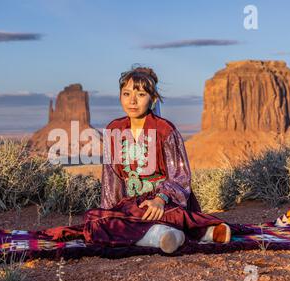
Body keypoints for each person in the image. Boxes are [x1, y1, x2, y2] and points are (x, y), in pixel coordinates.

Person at [36, 66, 231, 254]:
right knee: (98, 221)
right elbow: (111, 178)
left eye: (141, 94)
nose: (133, 101)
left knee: (167, 215)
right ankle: (170, 235)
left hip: (165, 202)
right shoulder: (114, 129)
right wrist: (112, 214)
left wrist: (160, 200)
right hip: (132, 204)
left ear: (153, 99)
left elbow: (180, 177)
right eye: (127, 93)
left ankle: (185, 233)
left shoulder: (166, 131)